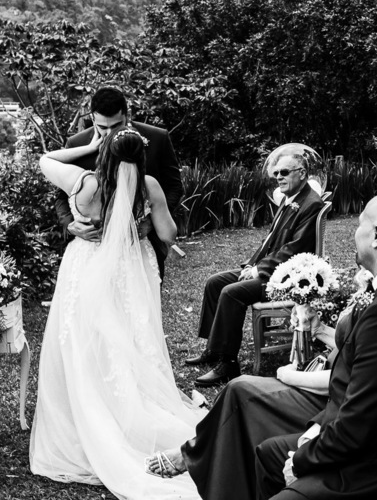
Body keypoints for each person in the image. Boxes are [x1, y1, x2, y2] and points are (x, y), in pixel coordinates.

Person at [30, 127, 205, 498]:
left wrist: (93, 144)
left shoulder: (84, 183)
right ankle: (130, 412)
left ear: (103, 155)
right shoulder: (149, 186)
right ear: (141, 158)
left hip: (85, 266)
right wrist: (145, 223)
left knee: (85, 342)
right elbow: (169, 235)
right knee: (129, 341)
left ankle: (88, 414)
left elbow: (45, 160)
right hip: (130, 269)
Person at [252, 193, 377, 500]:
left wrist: (302, 461)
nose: (354, 233)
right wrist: (315, 431)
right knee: (269, 453)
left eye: (359, 225)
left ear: (376, 235)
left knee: (286, 474)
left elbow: (359, 423)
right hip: (376, 439)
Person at [188, 153, 325, 385]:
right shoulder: (290, 198)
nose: (278, 177)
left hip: (289, 277)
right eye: (276, 173)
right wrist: (253, 265)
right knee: (215, 282)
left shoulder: (311, 204)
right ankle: (214, 348)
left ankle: (228, 364)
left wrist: (258, 271)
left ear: (302, 173)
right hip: (273, 270)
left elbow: (295, 249)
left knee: (231, 293)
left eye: (284, 172)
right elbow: (270, 242)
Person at [54, 87, 183, 281]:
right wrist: (70, 224)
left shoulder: (157, 138)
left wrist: (151, 220)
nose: (108, 134)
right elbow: (61, 196)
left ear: (126, 115)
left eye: (115, 126)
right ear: (93, 118)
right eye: (102, 127)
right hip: (93, 251)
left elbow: (174, 187)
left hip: (140, 248)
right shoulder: (76, 144)